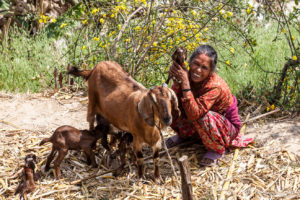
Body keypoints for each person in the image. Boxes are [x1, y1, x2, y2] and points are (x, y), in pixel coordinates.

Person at [166, 45, 253, 166]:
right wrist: (177, 83)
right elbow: (177, 101)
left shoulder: (215, 86)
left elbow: (194, 114)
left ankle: (216, 149)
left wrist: (185, 83)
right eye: (196, 64)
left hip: (224, 128)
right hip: (200, 125)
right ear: (190, 63)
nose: (198, 70)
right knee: (169, 105)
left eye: (204, 67)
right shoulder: (188, 75)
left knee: (203, 116)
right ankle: (185, 136)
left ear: (211, 71)